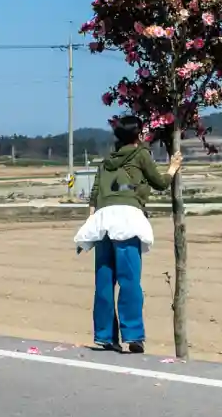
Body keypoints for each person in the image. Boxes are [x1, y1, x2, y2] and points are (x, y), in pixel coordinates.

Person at [73, 115, 182, 353]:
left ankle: (105, 336)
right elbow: (160, 183)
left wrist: (90, 227)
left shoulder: (105, 162)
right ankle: (133, 336)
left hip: (102, 221)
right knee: (129, 280)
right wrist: (172, 169)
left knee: (104, 281)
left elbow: (94, 197)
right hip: (127, 221)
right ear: (138, 134)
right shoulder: (141, 154)